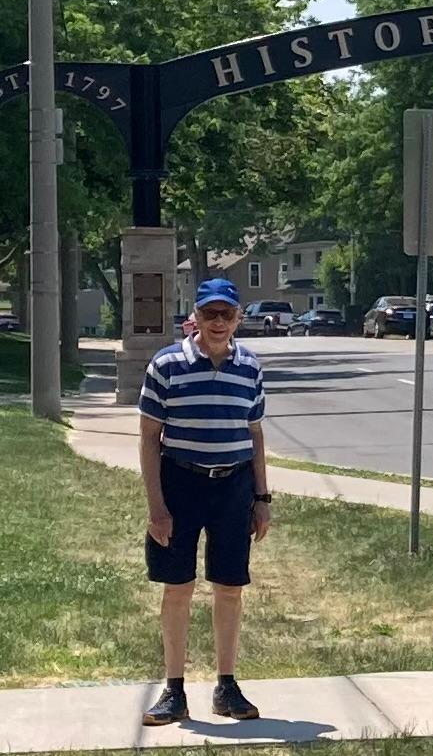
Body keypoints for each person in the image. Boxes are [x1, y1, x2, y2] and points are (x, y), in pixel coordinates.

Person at [137, 277, 272, 725]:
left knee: (230, 588)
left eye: (227, 315)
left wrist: (261, 497)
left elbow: (254, 434)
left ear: (238, 319)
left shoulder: (248, 367)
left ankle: (226, 686)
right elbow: (149, 439)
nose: (218, 322)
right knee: (178, 587)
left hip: (232, 487)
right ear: (194, 316)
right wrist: (157, 506)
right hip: (181, 485)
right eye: (210, 314)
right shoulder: (167, 365)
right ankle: (173, 690)